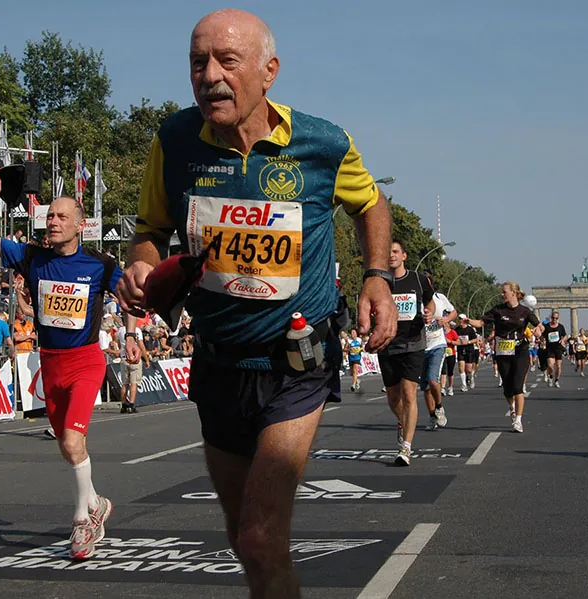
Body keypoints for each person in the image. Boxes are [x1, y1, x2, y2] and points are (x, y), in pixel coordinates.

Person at [114, 9, 396, 597]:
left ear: (268, 72)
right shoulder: (174, 140)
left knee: (262, 536)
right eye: (198, 62)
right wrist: (141, 263)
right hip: (217, 362)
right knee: (244, 538)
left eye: (227, 61)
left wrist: (376, 278)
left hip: (296, 360)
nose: (210, 76)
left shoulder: (323, 144)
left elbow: (370, 204)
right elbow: (150, 228)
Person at [0, 162, 122, 560]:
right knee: (67, 445)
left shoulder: (100, 264)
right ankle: (96, 503)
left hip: (86, 362)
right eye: (49, 216)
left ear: (80, 224)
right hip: (50, 363)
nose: (52, 222)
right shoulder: (31, 257)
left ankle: (81, 521)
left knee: (75, 441)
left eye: (61, 216)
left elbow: (131, 294)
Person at [378, 240, 435, 466]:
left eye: (395, 252)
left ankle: (406, 448)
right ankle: (403, 421)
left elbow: (430, 304)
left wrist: (429, 314)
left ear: (404, 255)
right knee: (393, 397)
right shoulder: (379, 281)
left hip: (413, 343)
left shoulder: (418, 280)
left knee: (409, 393)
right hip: (387, 344)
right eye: (387, 252)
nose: (390, 255)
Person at [467, 282, 542, 433]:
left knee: (518, 387)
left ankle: (518, 420)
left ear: (514, 293)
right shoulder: (498, 310)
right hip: (503, 353)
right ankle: (511, 407)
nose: (502, 294)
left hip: (520, 350)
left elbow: (539, 326)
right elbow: (481, 322)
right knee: (508, 389)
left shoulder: (525, 311)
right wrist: (467, 321)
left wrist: (538, 330)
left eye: (504, 292)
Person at [420, 280, 457, 431]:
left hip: (437, 344)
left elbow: (453, 312)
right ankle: (431, 416)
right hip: (420, 347)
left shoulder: (440, 298)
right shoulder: (415, 300)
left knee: (432, 379)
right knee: (426, 387)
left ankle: (439, 407)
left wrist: (446, 319)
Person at [542, 310, 568, 388]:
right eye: (553, 318)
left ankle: (556, 380)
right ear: (551, 318)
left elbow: (565, 335)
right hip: (549, 348)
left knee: (558, 366)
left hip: (558, 348)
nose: (554, 320)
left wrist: (563, 340)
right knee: (550, 366)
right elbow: (541, 335)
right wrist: (542, 340)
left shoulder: (561, 327)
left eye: (556, 318)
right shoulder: (546, 327)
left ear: (558, 318)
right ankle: (550, 376)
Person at [454, 314, 478, 392]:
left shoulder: (470, 329)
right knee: (461, 366)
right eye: (459, 319)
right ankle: (464, 385)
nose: (460, 321)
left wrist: (468, 342)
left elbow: (475, 340)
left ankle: (471, 378)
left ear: (465, 320)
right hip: (460, 349)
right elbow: (454, 338)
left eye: (461, 319)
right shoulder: (457, 329)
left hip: (469, 350)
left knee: (469, 369)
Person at [441, 321, 459, 395]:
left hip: (451, 354)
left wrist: (450, 341)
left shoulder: (453, 332)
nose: (444, 325)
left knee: (450, 371)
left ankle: (450, 387)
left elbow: (458, 342)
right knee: (443, 370)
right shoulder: (441, 332)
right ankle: (442, 388)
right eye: (443, 324)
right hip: (442, 353)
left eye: (445, 324)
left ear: (448, 324)